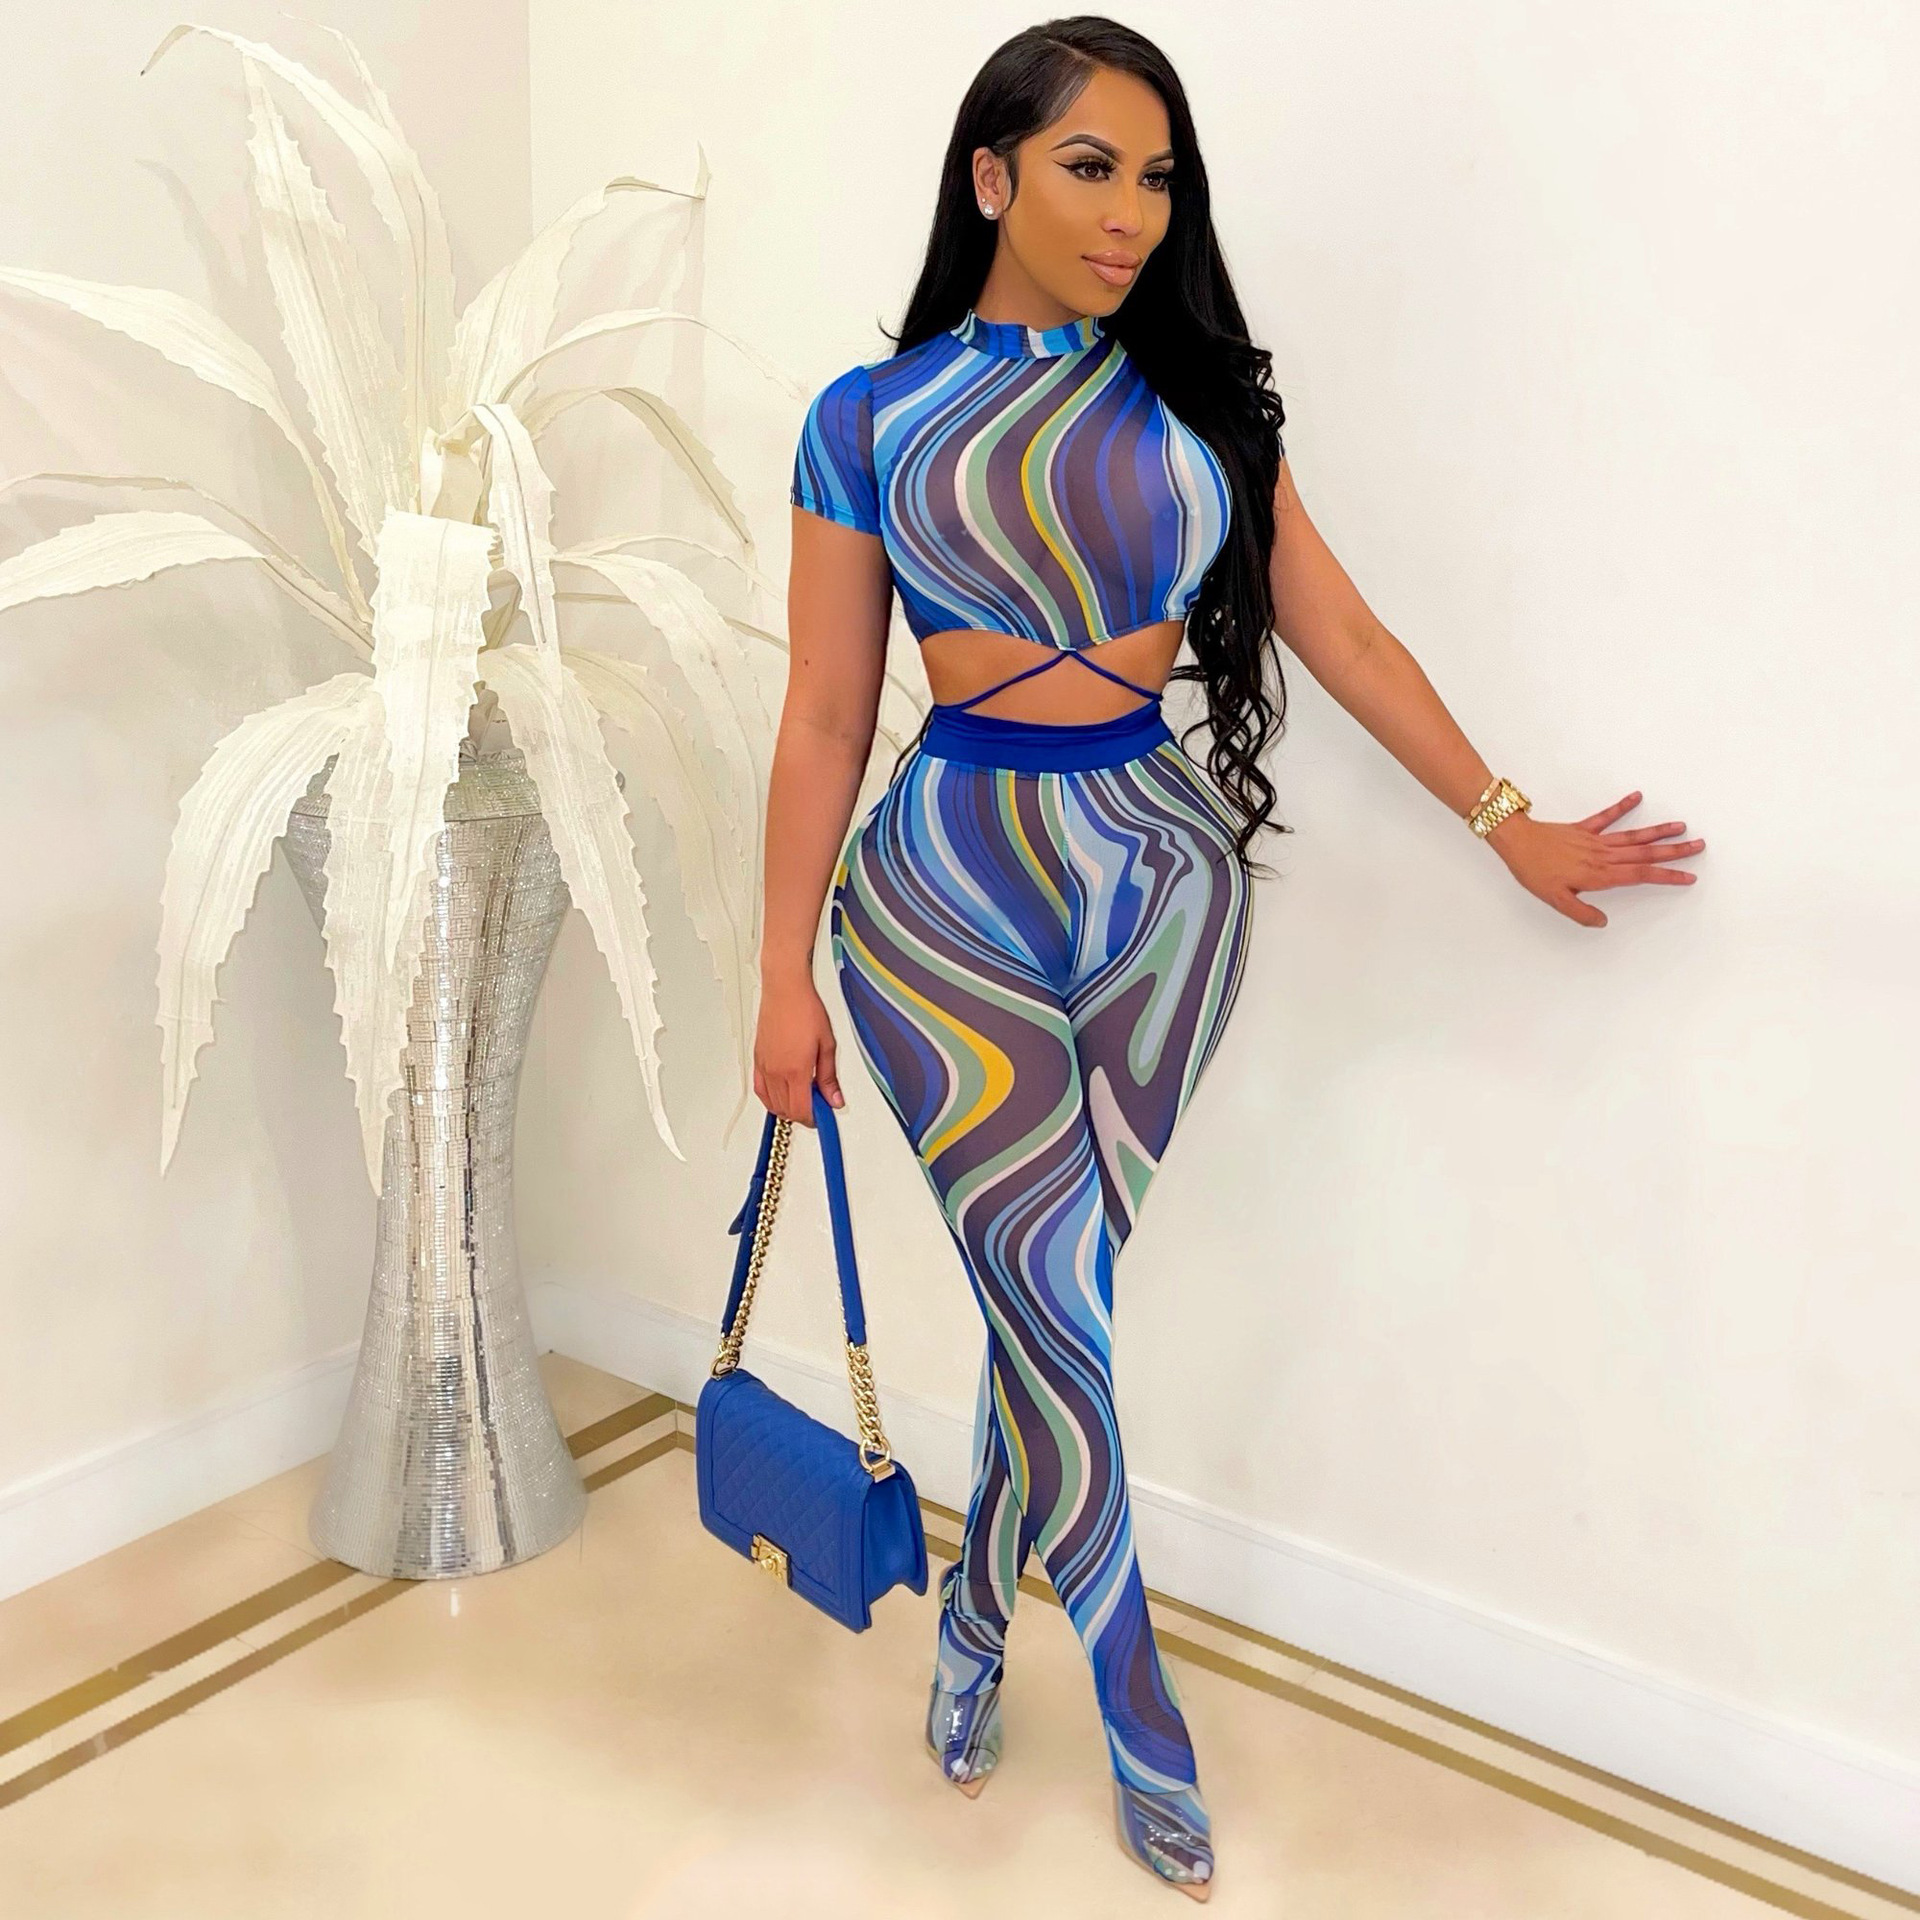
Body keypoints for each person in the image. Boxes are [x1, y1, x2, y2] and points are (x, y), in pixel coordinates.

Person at [754, 17, 1704, 1900]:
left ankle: (977, 1606)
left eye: (1158, 178)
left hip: (1162, 894)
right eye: (1090, 166)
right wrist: (781, 973)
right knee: (1053, 1297)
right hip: (940, 896)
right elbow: (822, 712)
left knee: (1053, 1301)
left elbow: (1344, 639)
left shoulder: (1200, 414)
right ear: (991, 177)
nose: (1132, 211)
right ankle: (1135, 1698)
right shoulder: (861, 421)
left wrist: (1505, 818)